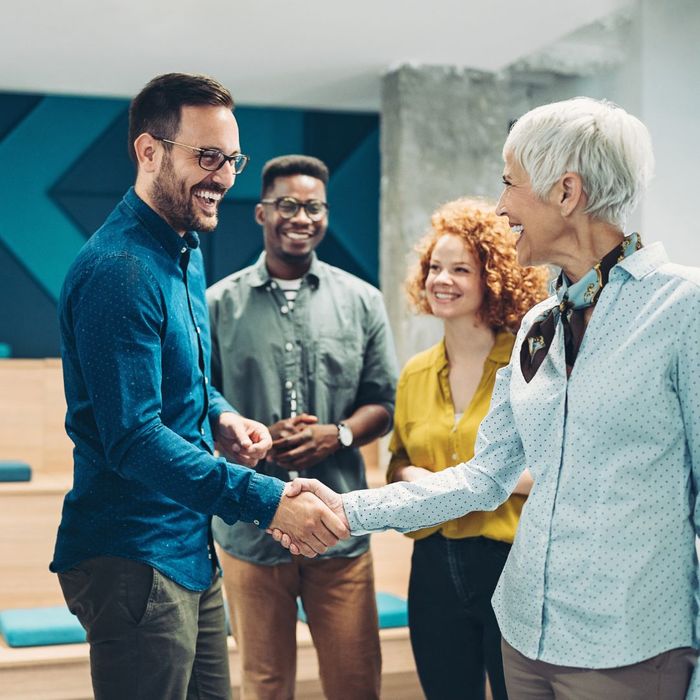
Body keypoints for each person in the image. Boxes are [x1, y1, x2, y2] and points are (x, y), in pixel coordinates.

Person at [277, 97, 700, 699]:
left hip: (629, 647)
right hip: (523, 636)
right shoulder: (539, 324)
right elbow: (483, 477)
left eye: (510, 183)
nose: (501, 206)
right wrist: (349, 509)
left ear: (566, 191)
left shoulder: (684, 308)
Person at [49, 74, 347, 700]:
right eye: (206, 157)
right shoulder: (118, 270)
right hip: (134, 556)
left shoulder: (183, 248)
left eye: (231, 158)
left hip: (188, 541)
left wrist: (220, 414)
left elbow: (185, 385)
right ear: (149, 151)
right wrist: (265, 499)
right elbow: (133, 440)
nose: (224, 177)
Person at [206, 153, 398, 700]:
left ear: (326, 214)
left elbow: (382, 401)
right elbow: (201, 398)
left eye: (313, 206)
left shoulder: (363, 301)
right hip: (251, 527)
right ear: (262, 212)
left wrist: (333, 434)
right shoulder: (217, 304)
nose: (301, 216)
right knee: (265, 684)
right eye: (287, 204)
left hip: (339, 526)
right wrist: (252, 436)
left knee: (356, 680)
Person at [389, 198, 548, 699]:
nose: (442, 279)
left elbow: (555, 467)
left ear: (493, 277)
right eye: (435, 267)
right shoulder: (415, 371)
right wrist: (417, 480)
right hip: (434, 564)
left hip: (510, 562)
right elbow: (398, 461)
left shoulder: (530, 366)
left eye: (461, 268)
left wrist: (471, 484)